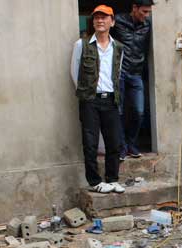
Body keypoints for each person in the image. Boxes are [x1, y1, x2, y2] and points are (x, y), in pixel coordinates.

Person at [70, 5, 126, 194]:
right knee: (90, 142)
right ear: (93, 22)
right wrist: (86, 93)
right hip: (90, 100)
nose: (100, 20)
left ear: (112, 22)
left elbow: (117, 73)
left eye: (104, 17)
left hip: (111, 99)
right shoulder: (81, 44)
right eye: (96, 17)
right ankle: (94, 182)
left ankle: (112, 179)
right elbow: (74, 72)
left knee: (114, 142)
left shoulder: (118, 47)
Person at [111, 0, 155, 161]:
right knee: (119, 111)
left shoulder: (147, 25)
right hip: (120, 72)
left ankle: (131, 143)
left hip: (136, 73)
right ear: (134, 8)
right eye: (144, 11)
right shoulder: (118, 21)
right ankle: (122, 146)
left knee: (139, 111)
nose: (147, 15)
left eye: (148, 12)